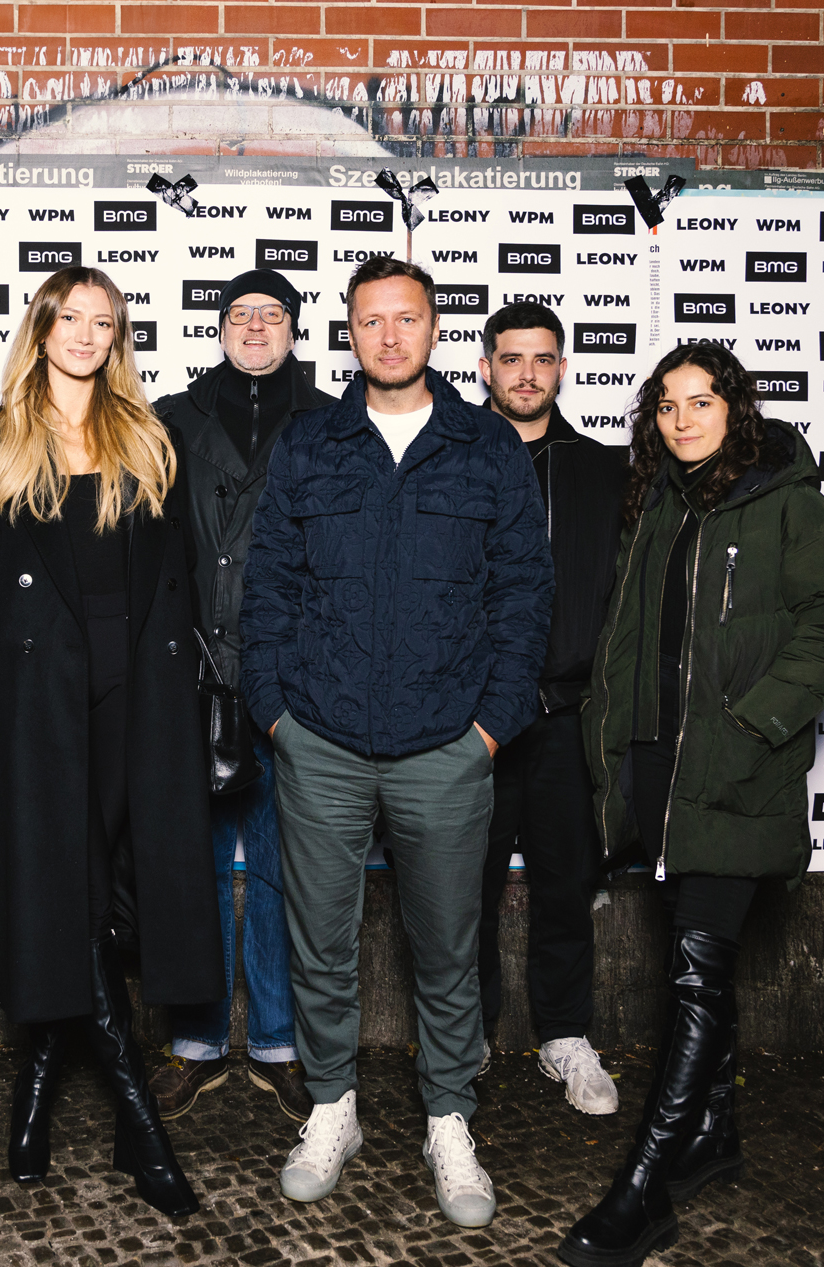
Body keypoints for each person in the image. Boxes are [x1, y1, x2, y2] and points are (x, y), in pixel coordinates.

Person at [241, 258, 554, 1228]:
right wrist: (277, 715)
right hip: (321, 741)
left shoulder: (485, 447)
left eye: (405, 319)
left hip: (445, 745)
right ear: (350, 334)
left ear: (434, 330)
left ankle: (448, 1117)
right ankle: (332, 1107)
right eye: (370, 320)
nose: (388, 336)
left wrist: (489, 727)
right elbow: (266, 586)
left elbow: (524, 594)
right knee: (320, 942)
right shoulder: (309, 443)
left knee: (447, 945)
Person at [558, 343, 824, 1267]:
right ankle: (715, 1131)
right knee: (700, 965)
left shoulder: (784, 499)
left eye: (701, 401)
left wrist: (754, 721)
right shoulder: (658, 500)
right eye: (666, 405)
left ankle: (645, 1187)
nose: (683, 419)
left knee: (694, 972)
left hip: (735, 768)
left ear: (735, 408)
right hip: (659, 766)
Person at [0, 265, 223, 1218]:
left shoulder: (149, 436)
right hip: (40, 708)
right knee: (69, 892)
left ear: (117, 337)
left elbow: (181, 572)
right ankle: (141, 1124)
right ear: (43, 329)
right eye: (71, 319)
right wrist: (9, 674)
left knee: (101, 902)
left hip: (141, 701)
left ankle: (37, 1079)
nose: (87, 335)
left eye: (104, 321)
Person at [148, 269, 334, 1125]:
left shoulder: (331, 420)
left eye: (271, 314)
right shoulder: (172, 419)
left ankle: (276, 1044)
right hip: (187, 677)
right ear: (219, 328)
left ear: (294, 328)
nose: (254, 327)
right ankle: (194, 1044)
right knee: (189, 865)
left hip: (289, 683)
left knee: (278, 867)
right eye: (239, 314)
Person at [473, 302, 625, 1115]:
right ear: (486, 368)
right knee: (463, 887)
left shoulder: (605, 471)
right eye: (511, 358)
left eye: (542, 359)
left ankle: (564, 1034)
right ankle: (466, 1035)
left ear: (562, 368)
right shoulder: (453, 458)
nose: (526, 374)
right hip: (472, 719)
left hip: (567, 716)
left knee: (567, 883)